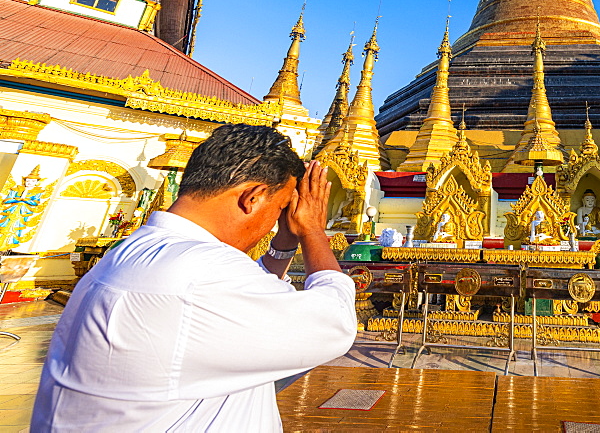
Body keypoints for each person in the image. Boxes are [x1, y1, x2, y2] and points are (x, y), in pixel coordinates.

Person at [32, 124, 357, 432]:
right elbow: (335, 321)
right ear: (253, 197)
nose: (278, 221)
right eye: (281, 208)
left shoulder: (138, 252)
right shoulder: (202, 274)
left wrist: (285, 243)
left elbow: (245, 294)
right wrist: (313, 229)